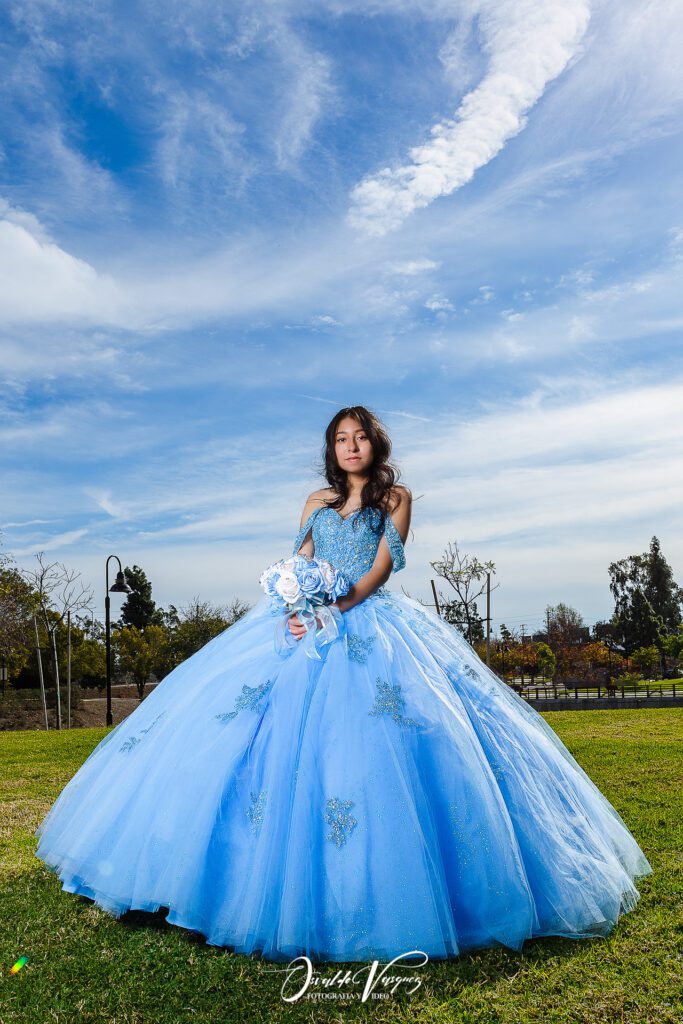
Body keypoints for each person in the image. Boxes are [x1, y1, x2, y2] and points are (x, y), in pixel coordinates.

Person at [34, 404, 652, 964]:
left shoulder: (396, 498)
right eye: (340, 439)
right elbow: (296, 565)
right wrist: (294, 603)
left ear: (374, 446)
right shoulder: (314, 503)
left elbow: (383, 568)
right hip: (302, 626)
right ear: (330, 450)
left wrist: (338, 608)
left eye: (359, 438)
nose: (350, 447)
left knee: (383, 741)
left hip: (371, 623)